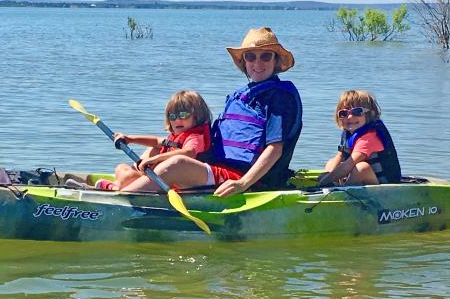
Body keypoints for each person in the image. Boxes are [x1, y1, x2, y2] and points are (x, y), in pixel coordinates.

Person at [121, 27, 303, 197]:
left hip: (244, 177)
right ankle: (120, 191)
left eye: (265, 56)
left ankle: (120, 201)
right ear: (243, 61)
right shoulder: (240, 95)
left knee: (176, 165)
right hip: (215, 168)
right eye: (250, 56)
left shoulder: (280, 99)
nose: (257, 63)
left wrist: (243, 183)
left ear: (276, 60)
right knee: (145, 160)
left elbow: (275, 149)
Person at [65, 90, 212, 190]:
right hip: (156, 177)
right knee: (122, 168)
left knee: (128, 175)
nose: (177, 120)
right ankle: (111, 186)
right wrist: (130, 139)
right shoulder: (175, 137)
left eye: (183, 115)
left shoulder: (195, 137)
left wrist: (156, 159)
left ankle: (109, 189)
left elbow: (189, 152)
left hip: (177, 181)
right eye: (173, 117)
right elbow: (156, 140)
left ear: (197, 116)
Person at [319, 90, 401, 186]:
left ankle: (344, 193)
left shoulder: (369, 138)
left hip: (382, 185)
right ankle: (332, 185)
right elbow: (340, 156)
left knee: (362, 168)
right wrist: (326, 177)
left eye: (357, 112)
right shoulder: (348, 134)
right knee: (331, 162)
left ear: (371, 114)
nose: (349, 117)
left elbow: (349, 164)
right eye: (343, 113)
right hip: (361, 180)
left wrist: (324, 182)